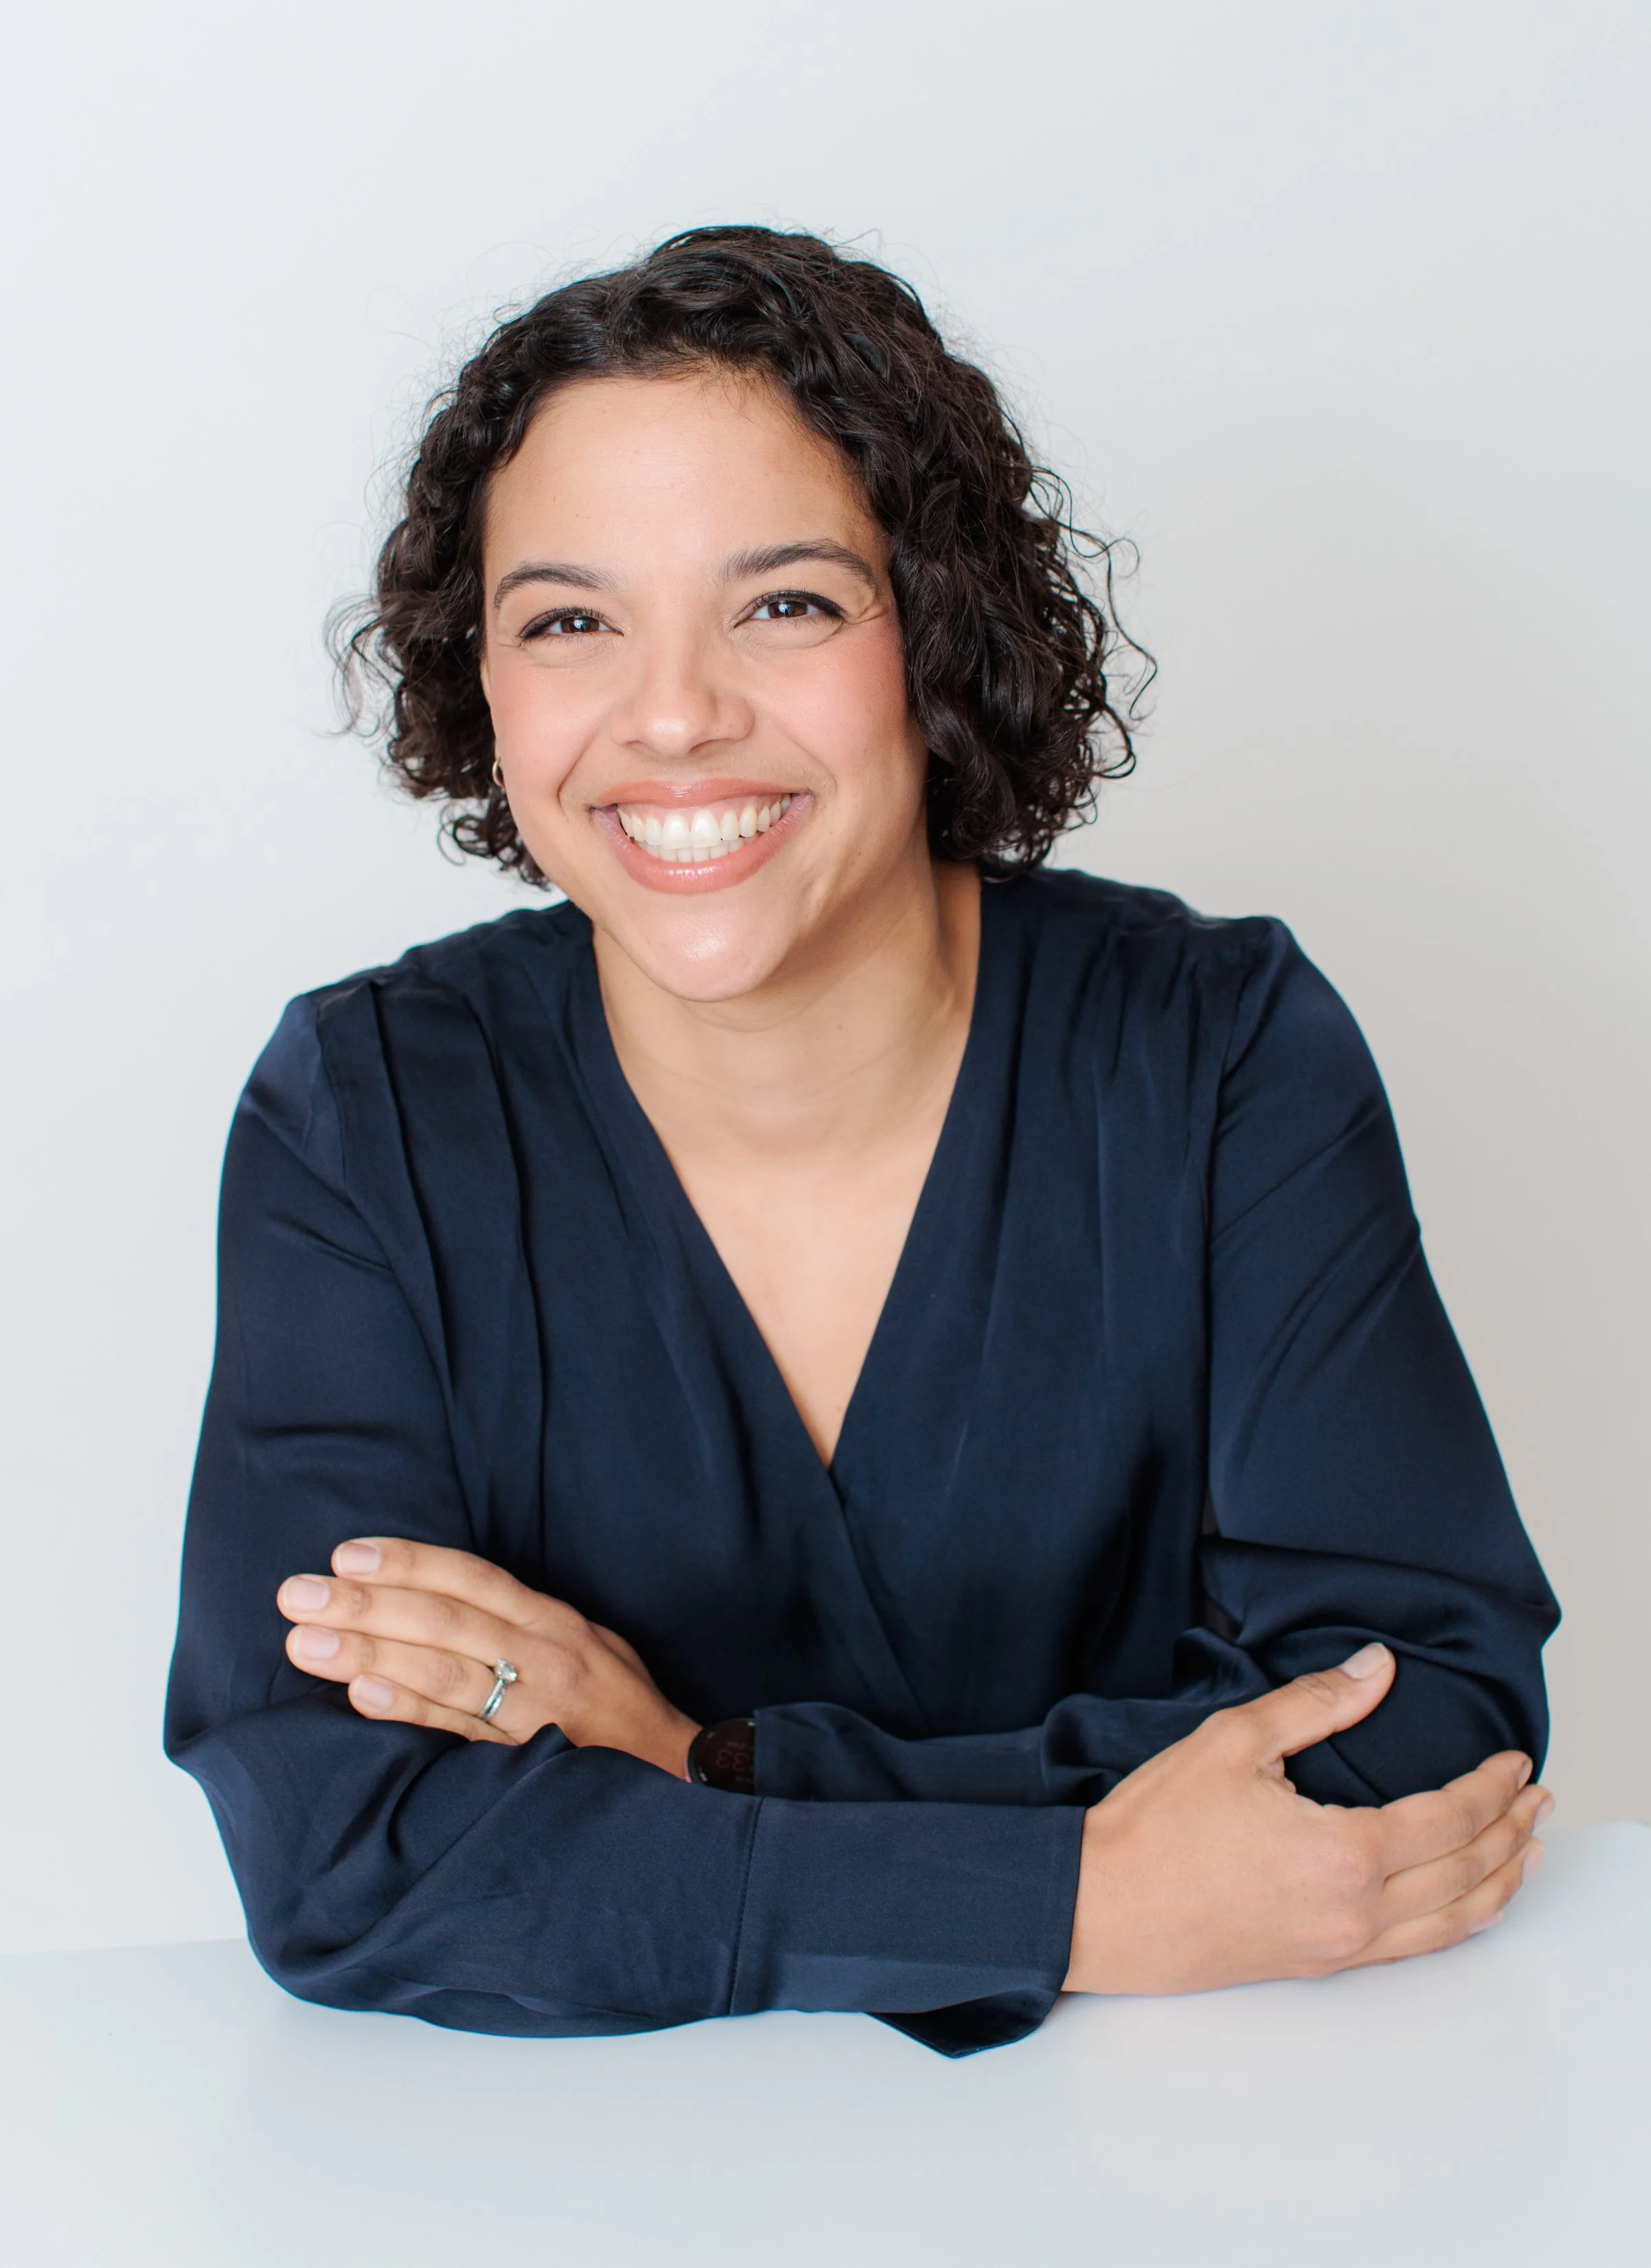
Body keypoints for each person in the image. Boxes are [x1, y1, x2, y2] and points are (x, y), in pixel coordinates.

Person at [166, 227, 1558, 2057]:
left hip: (1208, 2152)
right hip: (581, 2203)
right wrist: (1073, 1899)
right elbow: (347, 1849)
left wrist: (696, 1760)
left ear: (936, 633)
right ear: (480, 679)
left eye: (786, 603)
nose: (671, 714)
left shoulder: (1215, 1051)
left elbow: (1418, 1719)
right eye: (570, 619)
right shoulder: (365, 1118)